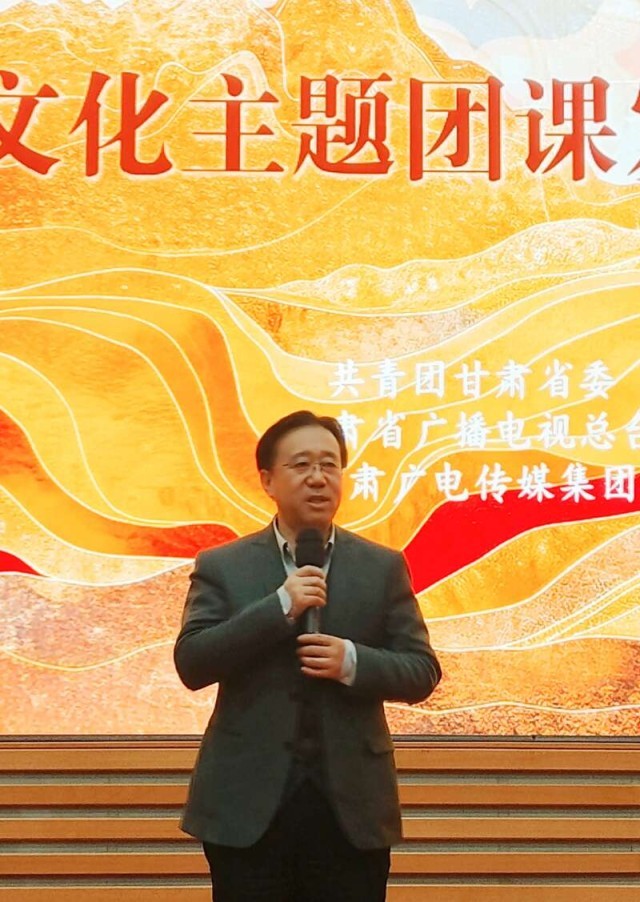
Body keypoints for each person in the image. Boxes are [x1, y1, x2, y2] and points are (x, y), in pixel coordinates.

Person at [174, 410, 441, 901]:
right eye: (301, 465)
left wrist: (353, 661)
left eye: (329, 465)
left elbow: (421, 670)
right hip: (246, 807)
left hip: (351, 809)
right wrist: (279, 606)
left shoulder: (381, 567)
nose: (318, 478)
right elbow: (192, 662)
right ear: (267, 480)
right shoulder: (224, 565)